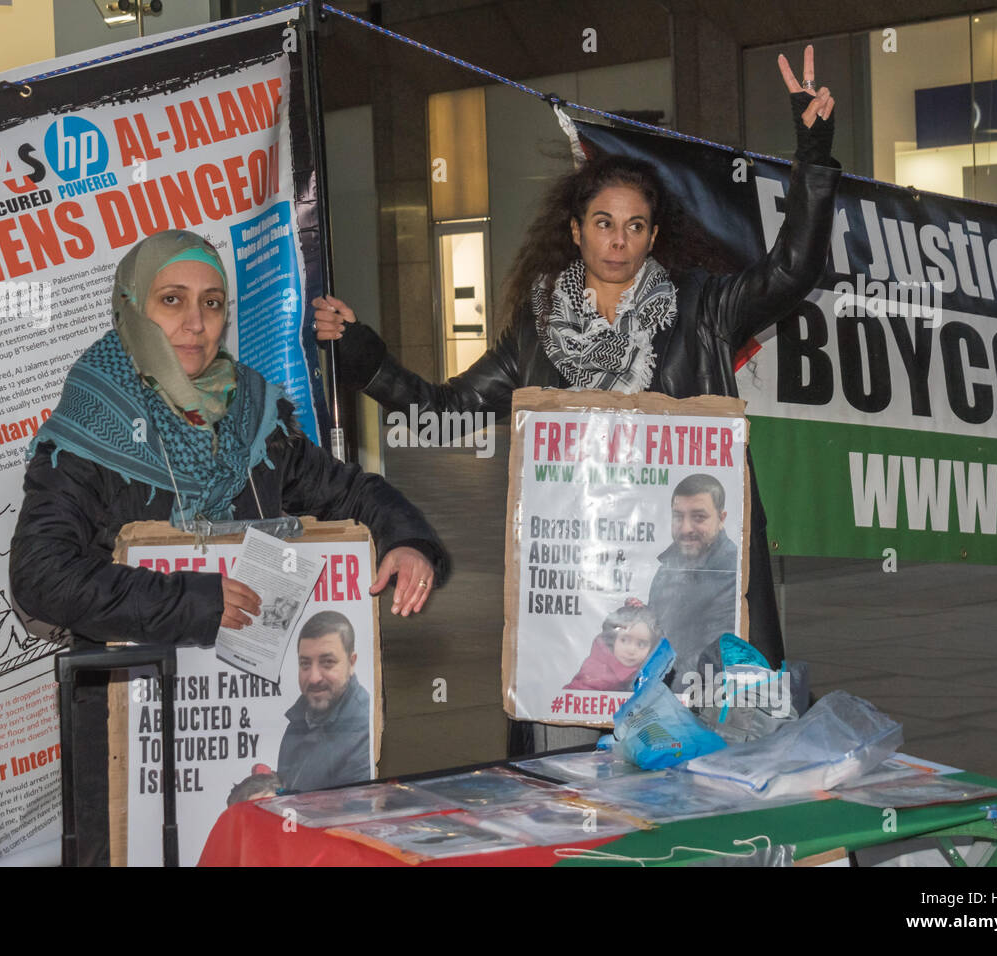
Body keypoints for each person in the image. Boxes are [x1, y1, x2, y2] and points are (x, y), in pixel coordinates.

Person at [313, 48, 839, 753]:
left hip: (693, 578)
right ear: (576, 229)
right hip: (586, 582)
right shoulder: (536, 331)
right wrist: (364, 356)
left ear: (654, 236)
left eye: (633, 226)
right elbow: (441, 410)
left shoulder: (705, 308)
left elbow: (792, 269)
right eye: (602, 222)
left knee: (715, 742)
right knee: (576, 759)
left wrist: (812, 154)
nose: (617, 240)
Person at [10, 229, 450, 863]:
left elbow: (348, 491)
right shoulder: (89, 424)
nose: (195, 323)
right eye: (171, 300)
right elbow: (41, 574)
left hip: (251, 719)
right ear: (132, 307)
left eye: (212, 303)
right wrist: (194, 602)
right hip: (135, 730)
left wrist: (407, 539)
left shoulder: (254, 414)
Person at [648, 474, 737, 680]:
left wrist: (658, 689)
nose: (686, 528)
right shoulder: (667, 568)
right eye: (678, 516)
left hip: (697, 697)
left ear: (721, 519)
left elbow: (711, 657)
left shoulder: (731, 573)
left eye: (698, 517)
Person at [276, 610, 372, 791]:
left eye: (327, 662)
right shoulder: (299, 720)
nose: (314, 678)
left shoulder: (365, 729)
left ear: (351, 663)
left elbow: (352, 815)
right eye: (305, 664)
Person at [564, 598, 659, 693]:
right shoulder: (598, 672)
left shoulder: (651, 670)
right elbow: (574, 698)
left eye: (641, 644)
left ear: (652, 647)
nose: (631, 650)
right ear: (613, 640)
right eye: (624, 640)